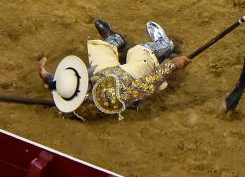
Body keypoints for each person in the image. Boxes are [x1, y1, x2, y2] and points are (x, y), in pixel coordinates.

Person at [37, 20, 191, 120]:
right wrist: (172, 64)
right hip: (129, 77)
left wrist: (45, 75)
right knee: (139, 52)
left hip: (104, 74)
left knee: (98, 51)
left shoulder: (68, 93)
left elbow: (58, 84)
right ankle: (164, 45)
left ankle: (115, 41)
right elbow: (145, 86)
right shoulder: (113, 95)